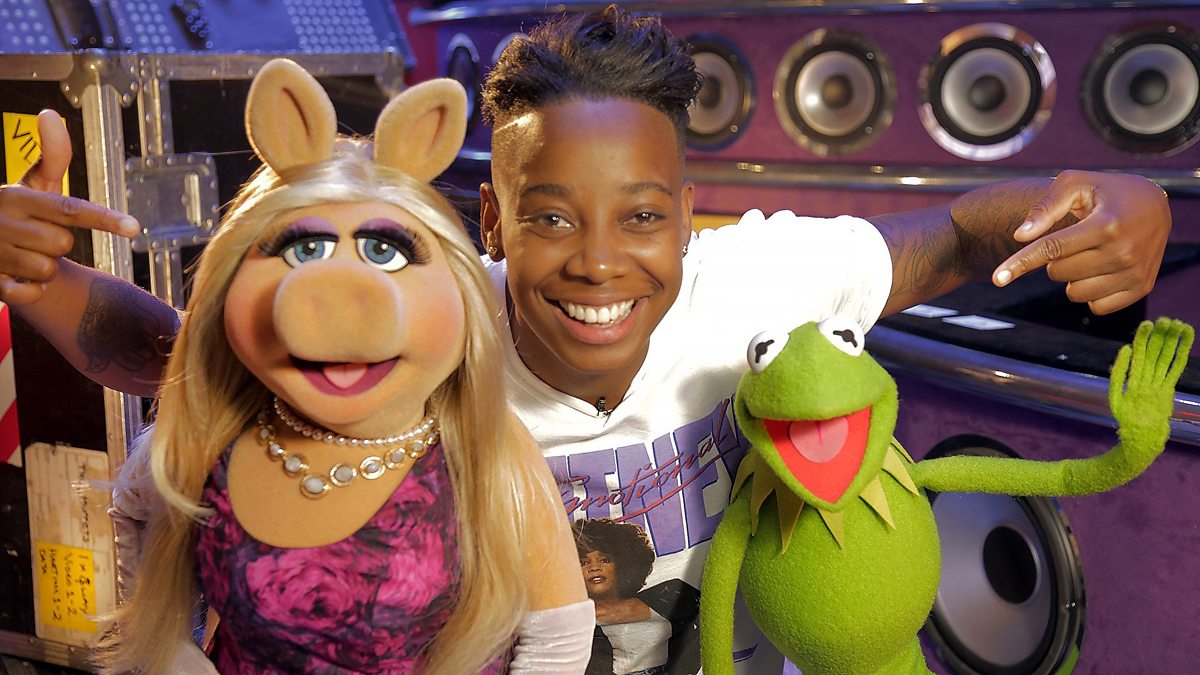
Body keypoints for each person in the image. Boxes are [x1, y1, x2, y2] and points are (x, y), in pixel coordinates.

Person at [0, 5, 1173, 672]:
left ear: (688, 215)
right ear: (493, 223)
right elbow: (189, 355)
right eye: (552, 218)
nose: (601, 262)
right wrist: (39, 279)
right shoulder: (435, 328)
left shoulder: (755, 280)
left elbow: (960, 232)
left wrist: (1116, 198)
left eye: (643, 219)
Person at [93, 61, 591, 673]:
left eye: (386, 251)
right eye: (304, 248)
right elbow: (137, 523)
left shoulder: (483, 446)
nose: (339, 296)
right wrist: (173, 655)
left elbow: (557, 637)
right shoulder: (210, 438)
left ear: (459, 285)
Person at [574, 518, 701, 675]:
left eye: (604, 560)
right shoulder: (576, 623)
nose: (594, 567)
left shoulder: (669, 594)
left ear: (621, 564)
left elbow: (708, 626)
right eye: (583, 563)